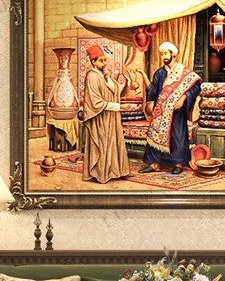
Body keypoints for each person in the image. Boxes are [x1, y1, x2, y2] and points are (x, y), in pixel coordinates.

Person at [142, 40, 200, 173]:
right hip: (161, 111)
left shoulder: (183, 72)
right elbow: (152, 93)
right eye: (161, 54)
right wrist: (145, 80)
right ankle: (155, 164)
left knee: (177, 136)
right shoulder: (159, 73)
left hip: (177, 112)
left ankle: (179, 164)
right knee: (156, 134)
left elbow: (195, 86)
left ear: (173, 54)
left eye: (165, 54)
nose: (163, 57)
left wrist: (183, 98)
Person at [80, 49, 131, 183]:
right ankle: (100, 174)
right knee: (102, 145)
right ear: (93, 62)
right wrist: (119, 107)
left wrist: (108, 78)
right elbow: (97, 103)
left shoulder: (102, 75)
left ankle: (113, 171)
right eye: (101, 61)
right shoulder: (92, 76)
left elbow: (115, 91)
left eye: (105, 60)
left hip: (110, 117)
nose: (104, 63)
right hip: (99, 118)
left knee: (112, 143)